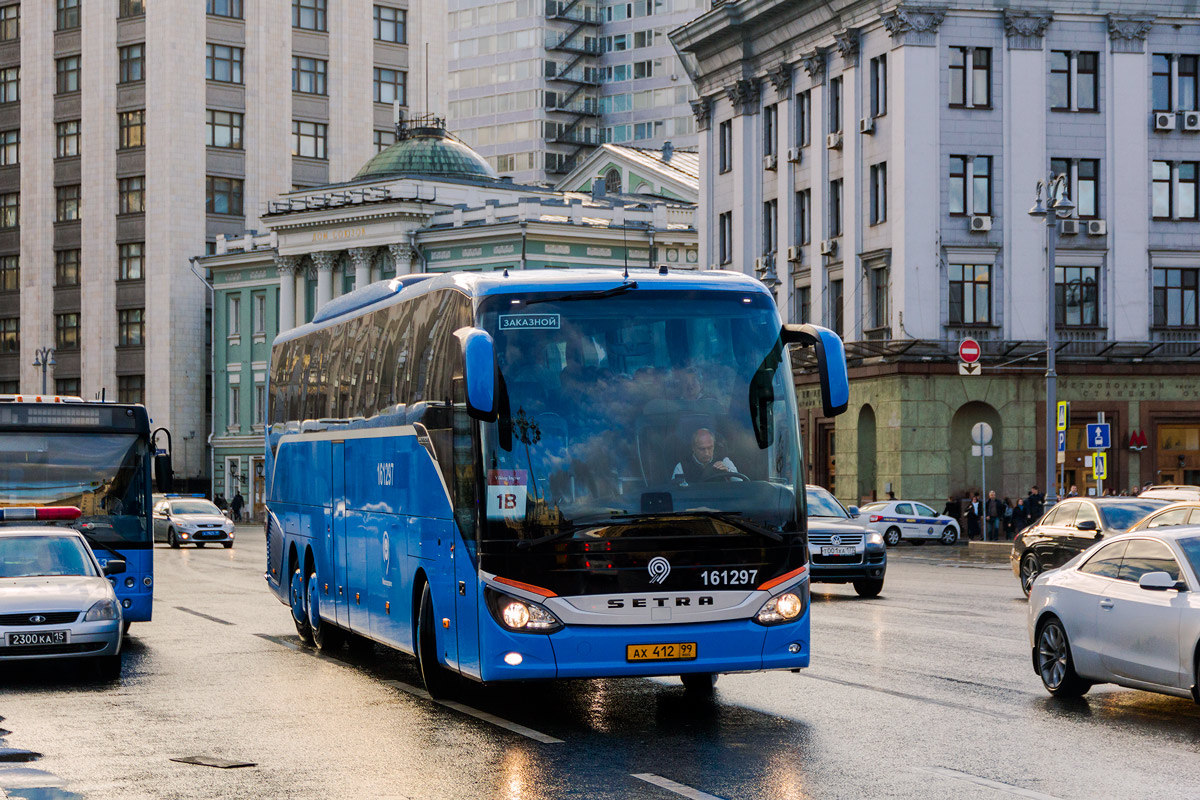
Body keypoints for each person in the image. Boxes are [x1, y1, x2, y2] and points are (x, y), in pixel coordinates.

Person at [672, 428, 736, 483]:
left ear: (714, 445)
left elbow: (741, 484)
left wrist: (728, 473)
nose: (706, 453)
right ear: (693, 448)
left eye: (710, 448)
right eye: (702, 449)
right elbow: (676, 491)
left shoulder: (724, 461)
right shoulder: (682, 467)